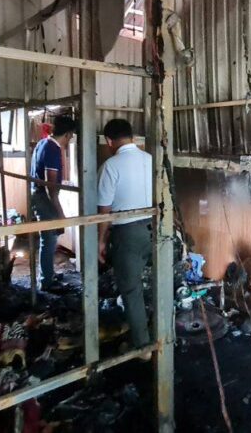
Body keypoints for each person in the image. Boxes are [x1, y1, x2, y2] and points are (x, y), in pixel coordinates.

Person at [97, 119, 153, 348]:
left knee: (131, 290)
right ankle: (164, 335)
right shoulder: (150, 159)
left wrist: (101, 241)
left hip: (127, 233)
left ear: (109, 141)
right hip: (156, 228)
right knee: (160, 283)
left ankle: (142, 347)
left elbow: (104, 209)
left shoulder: (110, 166)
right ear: (132, 137)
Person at [31, 115, 77, 284]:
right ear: (68, 134)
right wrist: (60, 214)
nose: (70, 139)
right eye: (71, 135)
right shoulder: (53, 149)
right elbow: (50, 187)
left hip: (39, 195)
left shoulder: (43, 143)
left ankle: (48, 274)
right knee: (49, 239)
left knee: (49, 238)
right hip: (44, 197)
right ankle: (46, 281)